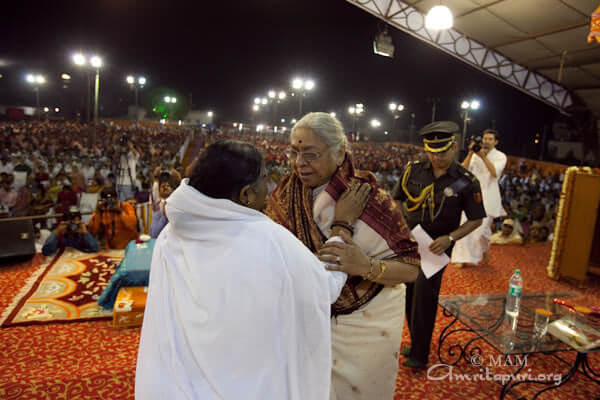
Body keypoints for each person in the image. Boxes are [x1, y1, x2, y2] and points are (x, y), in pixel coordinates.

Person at [136, 140, 347, 400]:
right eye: (264, 179)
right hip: (250, 382)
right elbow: (324, 287)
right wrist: (341, 229)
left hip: (185, 380)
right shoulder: (269, 239)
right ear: (246, 194)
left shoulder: (171, 234)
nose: (268, 188)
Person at [266, 112, 420, 399]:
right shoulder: (284, 195)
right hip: (303, 320)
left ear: (339, 153)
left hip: (364, 326)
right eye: (294, 152)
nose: (300, 163)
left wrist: (367, 266)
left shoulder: (370, 199)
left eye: (310, 154)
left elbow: (411, 267)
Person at [392, 121, 486, 369]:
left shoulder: (466, 181)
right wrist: (404, 228)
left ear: (454, 147)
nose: (436, 157)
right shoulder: (413, 170)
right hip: (411, 242)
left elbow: (476, 219)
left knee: (425, 295)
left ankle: (420, 355)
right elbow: (396, 200)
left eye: (442, 151)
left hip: (438, 246)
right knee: (410, 294)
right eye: (431, 151)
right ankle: (416, 340)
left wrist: (450, 238)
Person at [452, 128, 507, 268]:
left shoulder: (501, 156)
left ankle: (484, 249)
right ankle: (461, 258)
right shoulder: (475, 155)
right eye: (485, 139)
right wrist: (471, 153)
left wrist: (483, 156)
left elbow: (495, 173)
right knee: (465, 226)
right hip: (472, 195)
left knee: (482, 232)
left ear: (496, 142)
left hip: (489, 196)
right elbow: (462, 170)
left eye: (490, 139)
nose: (486, 141)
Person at [148, 169, 180, 238]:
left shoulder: (177, 203)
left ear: (172, 189)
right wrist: (164, 215)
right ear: (159, 191)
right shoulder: (158, 207)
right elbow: (154, 234)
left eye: (168, 185)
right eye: (163, 186)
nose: (165, 187)